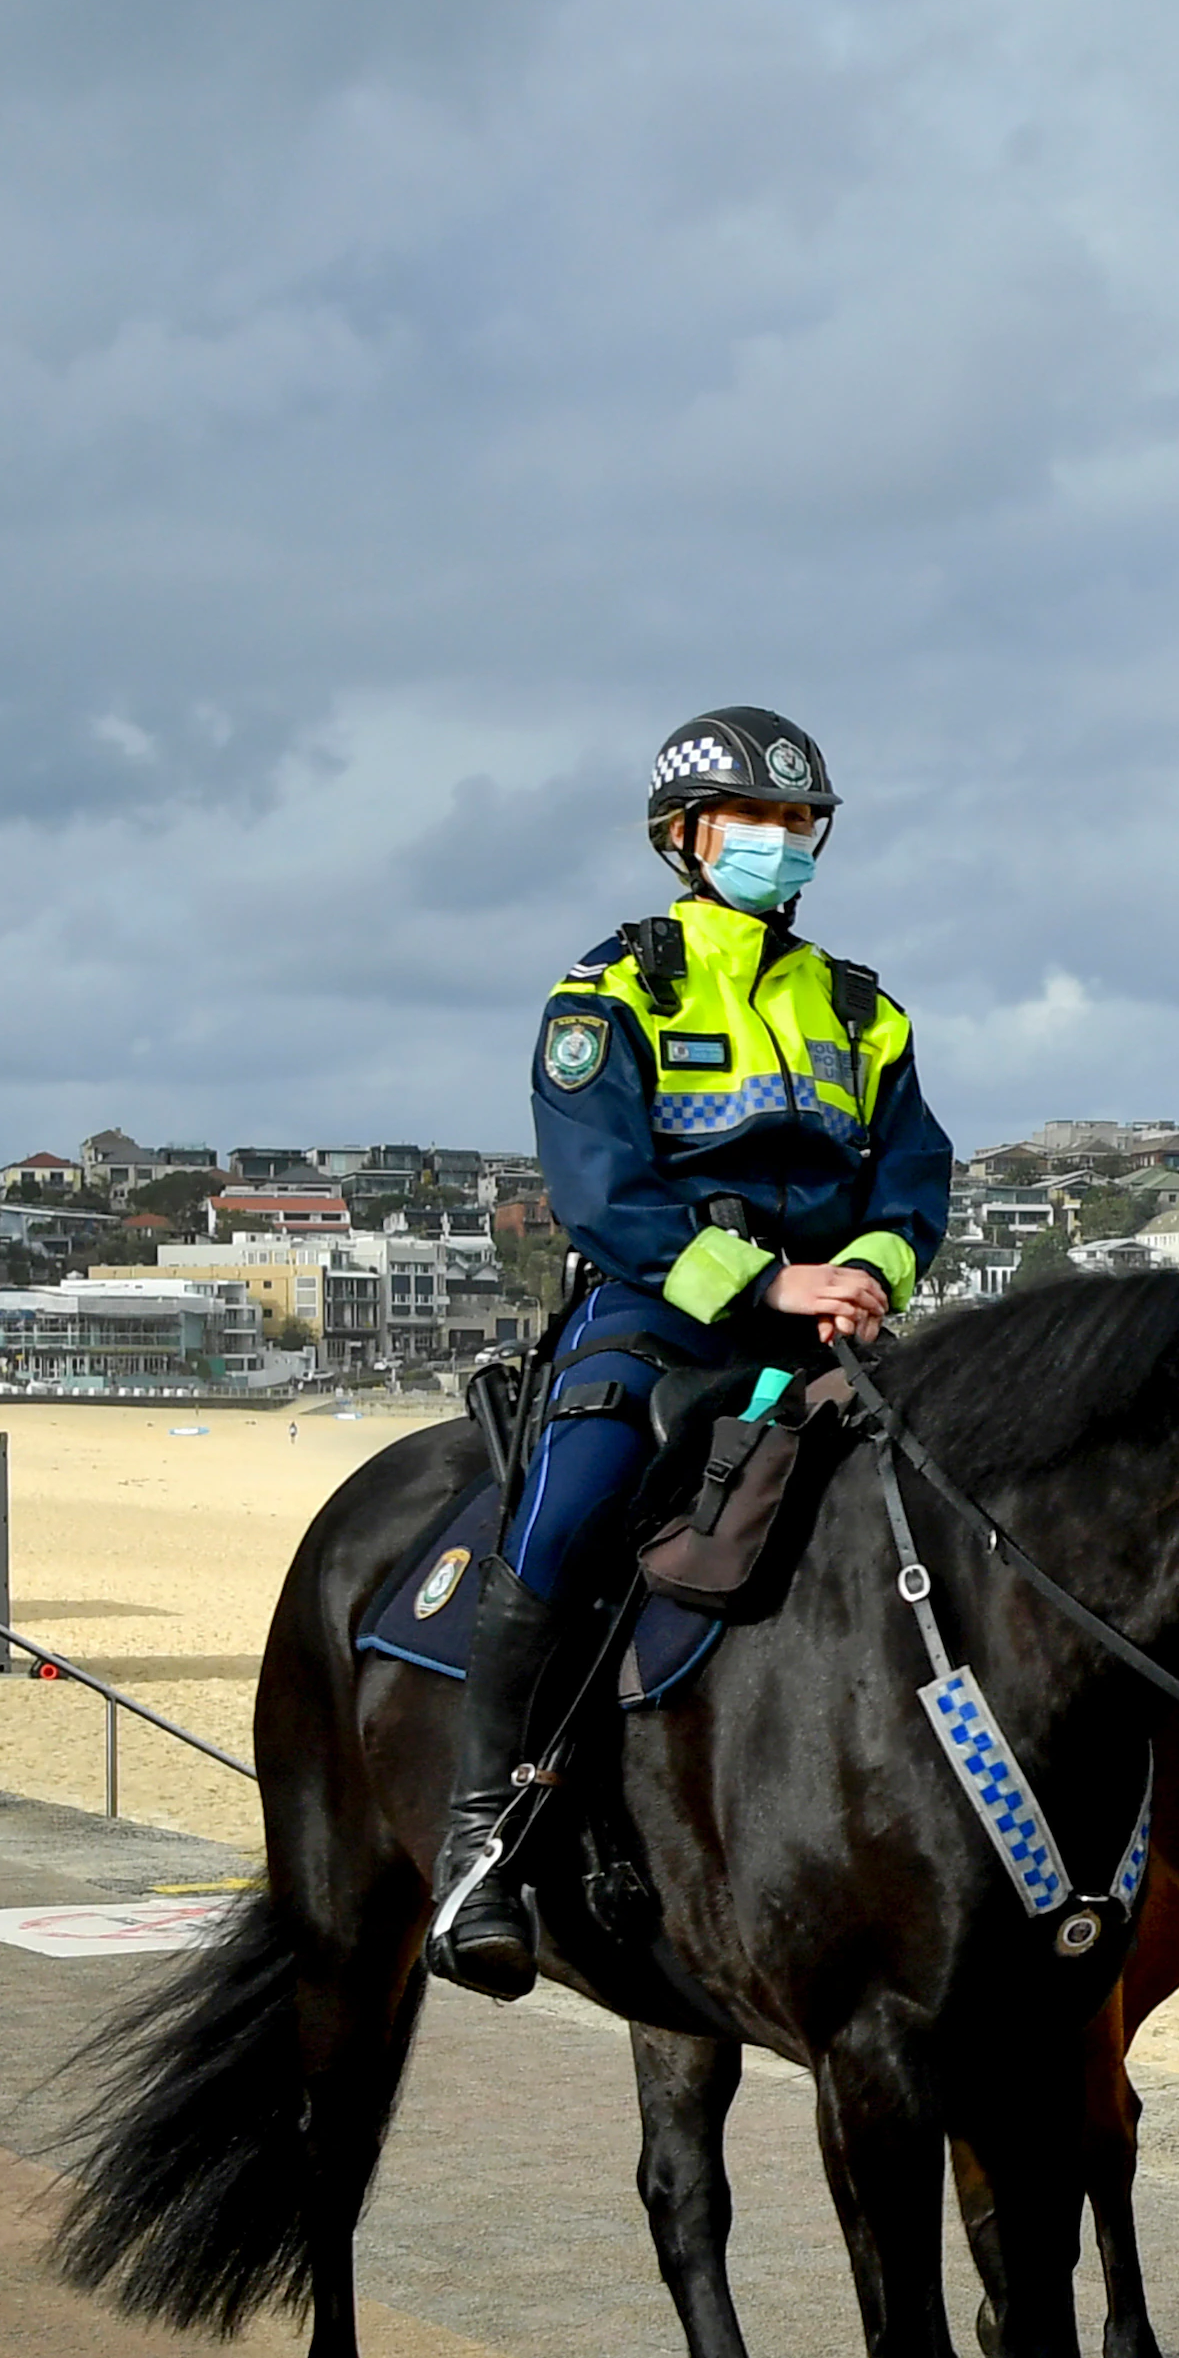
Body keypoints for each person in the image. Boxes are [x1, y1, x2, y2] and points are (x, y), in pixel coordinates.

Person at [428, 704, 952, 1999]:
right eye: (755, 821)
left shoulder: (861, 1009)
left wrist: (869, 1279)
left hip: (834, 1320)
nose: (781, 842)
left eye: (798, 823)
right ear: (684, 837)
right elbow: (602, 1191)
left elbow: (919, 1176)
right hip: (658, 1315)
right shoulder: (608, 992)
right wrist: (770, 1283)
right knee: (567, 1517)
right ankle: (483, 1843)